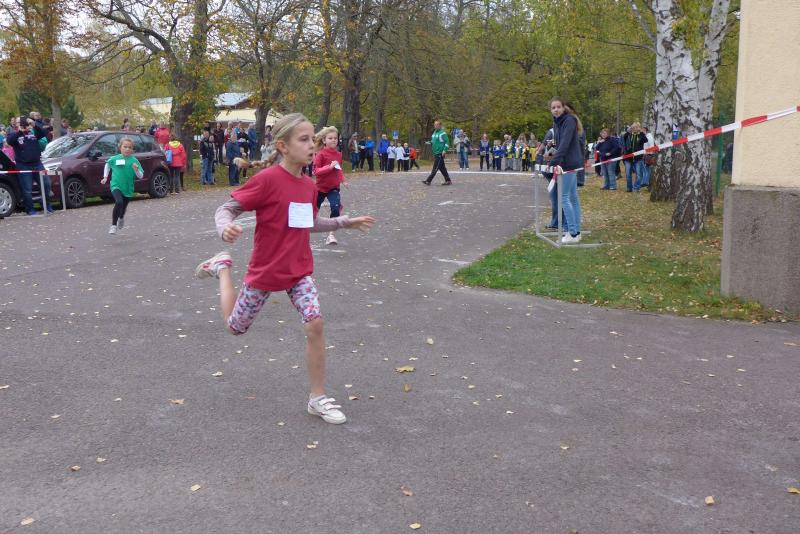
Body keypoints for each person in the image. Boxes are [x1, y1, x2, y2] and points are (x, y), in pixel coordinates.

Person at [194, 113, 375, 425]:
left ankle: (317, 398)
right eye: (304, 140)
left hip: (298, 271)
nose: (312, 145)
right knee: (235, 327)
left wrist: (345, 222)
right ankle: (221, 267)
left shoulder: (308, 185)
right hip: (266, 271)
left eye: (313, 139)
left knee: (315, 323)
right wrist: (224, 228)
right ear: (283, 146)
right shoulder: (267, 180)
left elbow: (309, 223)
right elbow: (227, 208)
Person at [549, 97, 584, 243]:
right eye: (553, 108)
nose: (556, 110)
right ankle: (577, 232)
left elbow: (565, 143)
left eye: (558, 107)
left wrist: (554, 161)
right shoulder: (557, 122)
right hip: (568, 162)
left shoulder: (569, 120)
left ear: (563, 108)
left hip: (569, 163)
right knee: (573, 197)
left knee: (564, 197)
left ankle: (572, 233)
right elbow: (560, 143)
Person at [7, 116, 52, 215]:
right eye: (19, 122)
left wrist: (34, 124)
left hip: (37, 163)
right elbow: (10, 141)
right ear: (16, 124)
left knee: (46, 184)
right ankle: (30, 209)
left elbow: (44, 133)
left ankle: (46, 205)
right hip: (23, 165)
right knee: (27, 189)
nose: (22, 124)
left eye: (23, 122)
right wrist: (20, 131)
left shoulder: (33, 132)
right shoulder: (13, 134)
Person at [312, 125, 348, 246]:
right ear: (324, 140)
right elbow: (315, 171)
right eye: (330, 138)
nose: (333, 140)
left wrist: (343, 180)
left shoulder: (339, 154)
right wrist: (329, 167)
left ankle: (331, 235)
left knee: (335, 207)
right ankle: (301, 232)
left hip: (333, 187)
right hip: (320, 188)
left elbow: (338, 169)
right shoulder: (320, 154)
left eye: (335, 138)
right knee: (312, 211)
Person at [101, 137, 143, 234]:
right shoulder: (115, 158)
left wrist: (136, 170)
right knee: (119, 202)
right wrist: (105, 177)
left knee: (123, 207)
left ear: (132, 149)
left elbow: (140, 176)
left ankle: (121, 217)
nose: (127, 149)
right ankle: (113, 225)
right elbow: (107, 165)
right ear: (120, 147)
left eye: (130, 147)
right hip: (116, 185)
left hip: (128, 187)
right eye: (125, 147)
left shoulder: (134, 161)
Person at [421, 119, 451, 185]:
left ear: (440, 125)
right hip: (436, 153)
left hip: (440, 153)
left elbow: (447, 142)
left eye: (437, 124)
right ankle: (448, 180)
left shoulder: (442, 133)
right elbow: (433, 141)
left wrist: (444, 150)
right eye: (435, 124)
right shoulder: (434, 133)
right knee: (442, 168)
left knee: (435, 168)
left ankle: (428, 181)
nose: (435, 126)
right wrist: (428, 142)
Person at [621, 122, 648, 192]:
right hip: (628, 158)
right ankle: (629, 188)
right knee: (628, 174)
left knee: (638, 174)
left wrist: (641, 132)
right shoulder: (628, 135)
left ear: (639, 127)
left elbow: (646, 140)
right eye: (633, 127)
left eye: (636, 127)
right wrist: (628, 131)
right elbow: (623, 138)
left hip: (638, 158)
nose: (634, 128)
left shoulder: (641, 135)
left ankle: (636, 188)